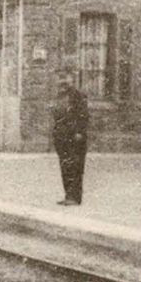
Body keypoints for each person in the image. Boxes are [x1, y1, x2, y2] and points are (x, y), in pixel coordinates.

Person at [50, 69, 89, 206]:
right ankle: (68, 195)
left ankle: (75, 197)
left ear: (72, 79)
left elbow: (83, 115)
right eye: (60, 78)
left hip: (75, 137)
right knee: (65, 166)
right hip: (62, 137)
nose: (62, 81)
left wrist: (79, 132)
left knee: (75, 166)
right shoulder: (59, 96)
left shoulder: (78, 95)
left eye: (65, 78)